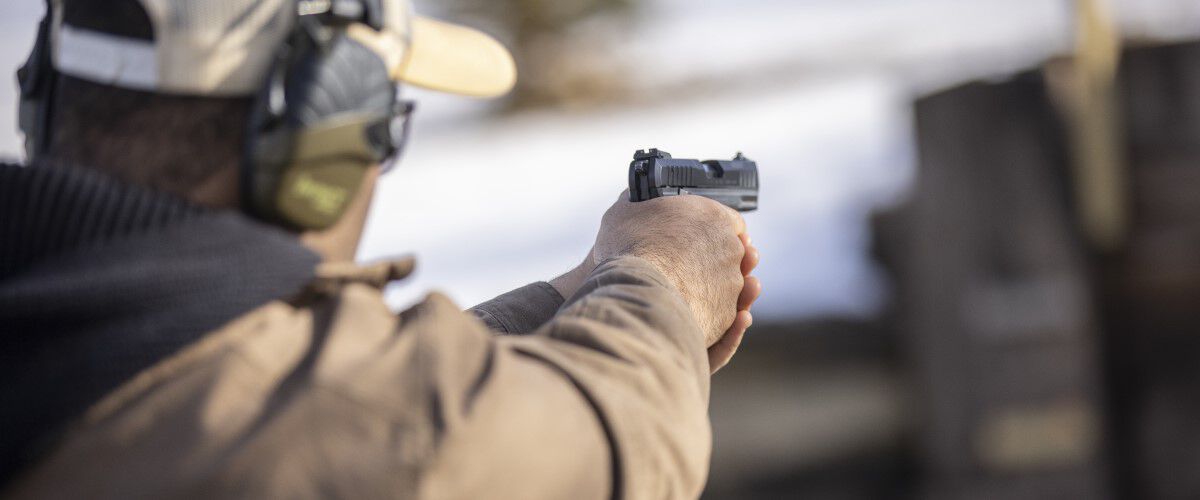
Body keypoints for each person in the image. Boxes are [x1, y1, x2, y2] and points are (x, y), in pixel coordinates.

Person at [0, 0, 762, 498]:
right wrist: (665, 276)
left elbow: (321, 388)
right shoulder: (348, 426)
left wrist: (580, 291)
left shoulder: (67, 338)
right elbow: (617, 438)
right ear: (317, 135)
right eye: (380, 126)